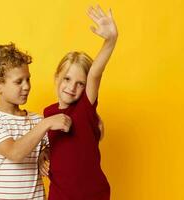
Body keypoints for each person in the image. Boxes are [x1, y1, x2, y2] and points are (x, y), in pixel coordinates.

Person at [0, 43, 72, 200]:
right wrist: (46, 124)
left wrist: (45, 153)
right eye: (18, 81)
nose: (27, 86)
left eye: (28, 79)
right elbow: (15, 153)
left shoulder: (36, 120)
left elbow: (54, 150)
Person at [43, 5, 118, 200]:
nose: (71, 87)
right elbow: (56, 149)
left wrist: (110, 40)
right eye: (67, 79)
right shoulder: (48, 113)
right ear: (57, 76)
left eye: (80, 84)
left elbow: (95, 73)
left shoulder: (84, 109)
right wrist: (44, 155)